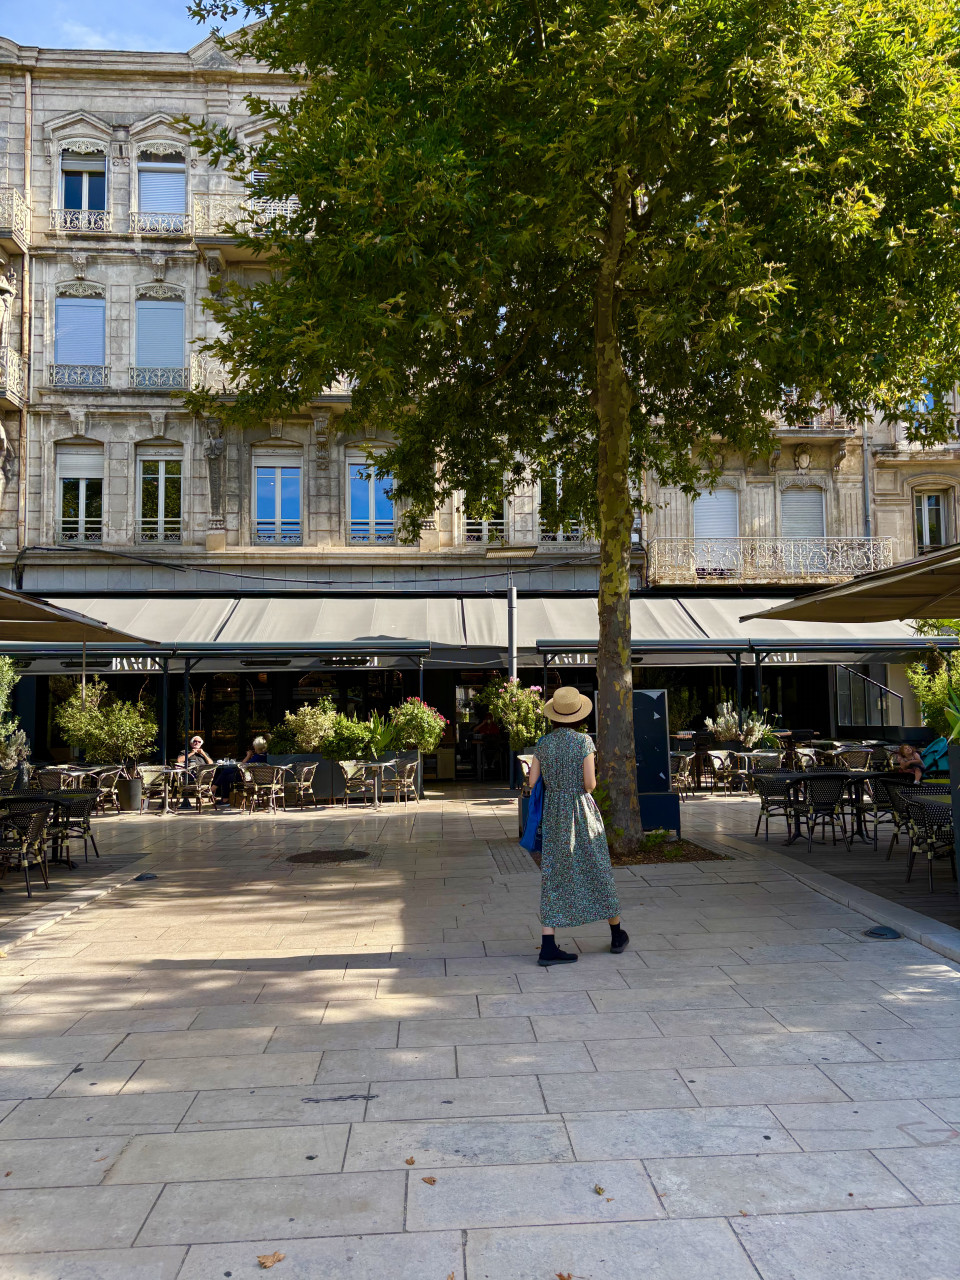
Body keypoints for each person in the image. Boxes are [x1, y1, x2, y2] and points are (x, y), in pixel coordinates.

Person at [525, 686, 628, 966]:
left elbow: (532, 781)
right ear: (579, 716)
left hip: (555, 814)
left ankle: (548, 945)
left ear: (554, 715)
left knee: (554, 874)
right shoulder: (584, 742)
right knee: (597, 867)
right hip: (582, 811)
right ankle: (616, 934)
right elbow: (590, 784)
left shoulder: (543, 744)